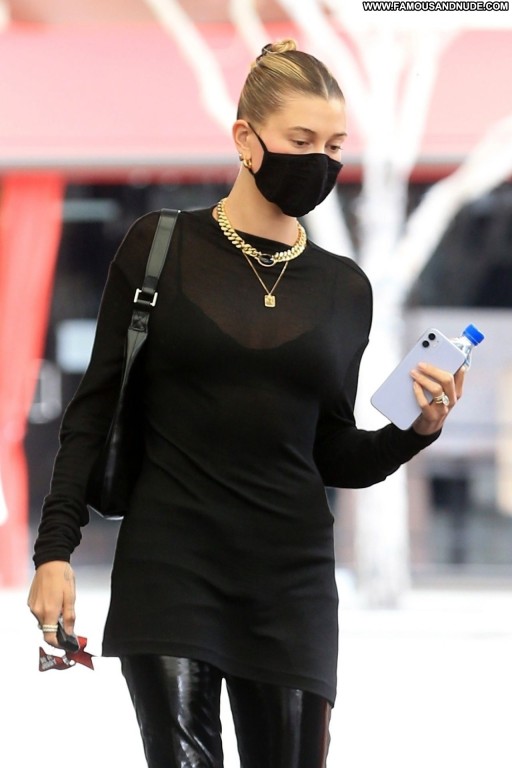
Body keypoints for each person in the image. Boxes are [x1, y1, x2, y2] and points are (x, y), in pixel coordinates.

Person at [28, 39, 465, 768]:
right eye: (301, 140)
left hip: (292, 585)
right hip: (171, 570)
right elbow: (92, 409)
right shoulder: (158, 246)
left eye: (334, 147)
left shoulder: (344, 288)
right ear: (245, 138)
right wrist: (54, 551)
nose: (320, 162)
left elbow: (332, 454)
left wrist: (416, 430)